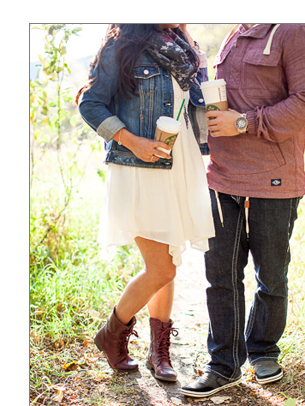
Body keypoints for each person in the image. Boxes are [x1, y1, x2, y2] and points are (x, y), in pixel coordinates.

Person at [182, 23, 305, 397]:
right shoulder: (237, 29)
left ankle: (264, 351)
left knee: (271, 273)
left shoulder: (297, 31)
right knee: (220, 275)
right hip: (222, 175)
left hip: (274, 177)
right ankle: (223, 365)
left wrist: (244, 122)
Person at [77, 24, 214, 382]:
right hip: (140, 164)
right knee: (162, 269)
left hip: (180, 159)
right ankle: (112, 334)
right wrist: (131, 141)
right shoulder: (122, 46)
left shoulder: (185, 46)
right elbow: (89, 103)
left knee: (168, 260)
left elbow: (192, 110)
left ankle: (159, 353)